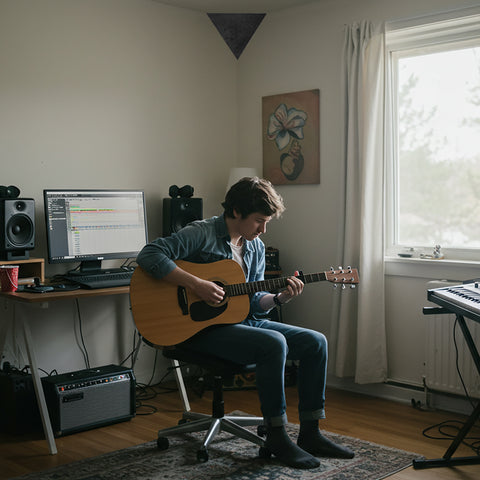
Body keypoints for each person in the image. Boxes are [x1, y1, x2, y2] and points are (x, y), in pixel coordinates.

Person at [136, 176, 354, 469]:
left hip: (240, 322)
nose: (263, 229)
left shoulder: (256, 248)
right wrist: (197, 284)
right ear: (236, 212)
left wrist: (279, 299)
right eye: (259, 221)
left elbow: (252, 305)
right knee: (273, 343)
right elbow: (149, 254)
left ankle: (310, 433)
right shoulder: (201, 233)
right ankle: (276, 435)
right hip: (198, 330)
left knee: (315, 342)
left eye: (267, 223)